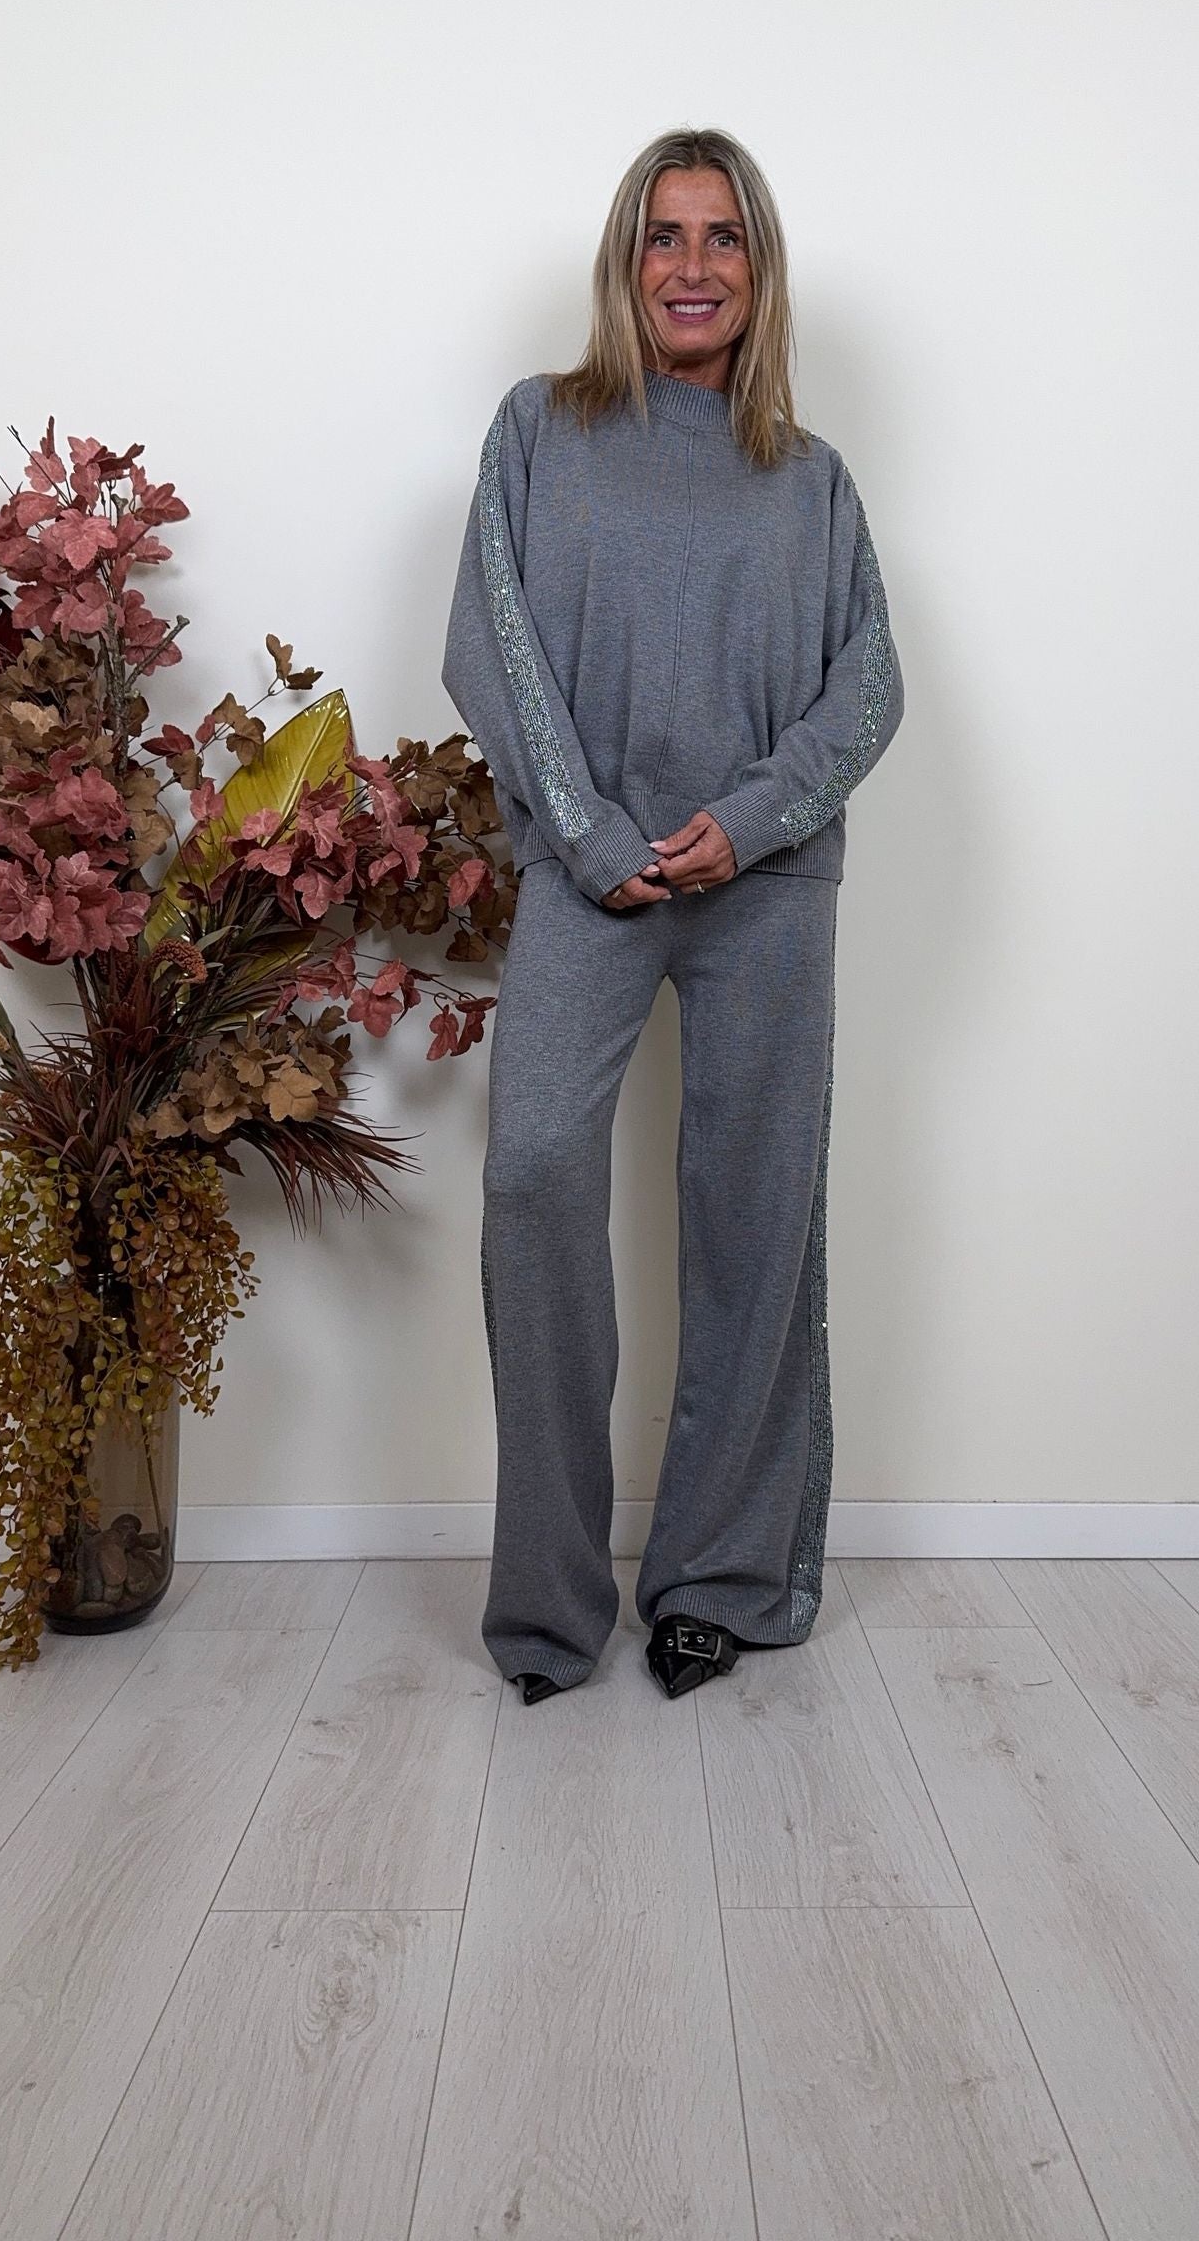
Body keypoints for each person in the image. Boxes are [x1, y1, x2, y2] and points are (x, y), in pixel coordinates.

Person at [441, 125, 904, 1704]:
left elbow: (869, 688)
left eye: (723, 238)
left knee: (755, 1218)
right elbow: (492, 642)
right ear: (623, 261)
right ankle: (550, 1601)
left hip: (764, 889)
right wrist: (584, 830)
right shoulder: (542, 428)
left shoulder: (812, 478)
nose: (692, 267)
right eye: (664, 235)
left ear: (759, 270)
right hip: (594, 876)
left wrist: (754, 821)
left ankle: (721, 1578)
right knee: (534, 1178)